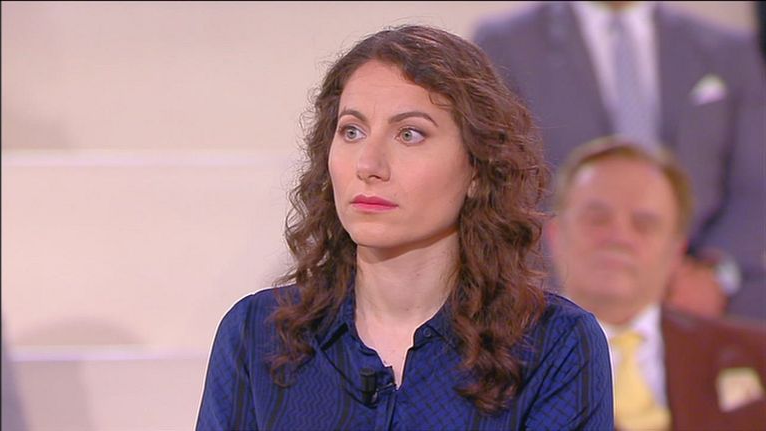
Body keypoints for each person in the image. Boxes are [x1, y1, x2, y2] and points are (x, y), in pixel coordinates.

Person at [196, 25, 613, 430]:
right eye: (352, 131)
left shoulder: (554, 345)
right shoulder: (258, 335)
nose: (368, 165)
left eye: (409, 134)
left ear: (478, 168)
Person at [473, 1, 766, 321]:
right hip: (553, 291)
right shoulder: (506, 44)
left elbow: (755, 186)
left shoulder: (729, 51)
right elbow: (496, 185)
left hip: (698, 297)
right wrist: (584, 280)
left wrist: (714, 274)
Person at [546, 137, 766, 431]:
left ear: (676, 252)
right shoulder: (501, 363)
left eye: (644, 224)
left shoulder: (755, 356)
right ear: (555, 235)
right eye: (597, 219)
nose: (619, 238)